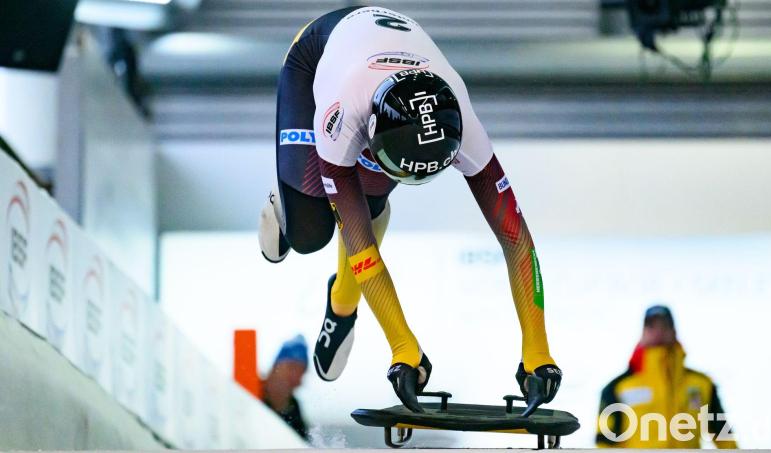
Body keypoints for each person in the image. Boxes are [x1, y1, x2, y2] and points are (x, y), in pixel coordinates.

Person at [258, 6, 561, 412]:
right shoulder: (342, 115)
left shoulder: (464, 127)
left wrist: (538, 352)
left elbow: (517, 240)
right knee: (309, 234)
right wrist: (403, 346)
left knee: (369, 196)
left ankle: (340, 302)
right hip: (317, 57)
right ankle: (286, 199)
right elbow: (360, 245)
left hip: (376, 66)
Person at [595, 305, 738, 448]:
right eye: (651, 325)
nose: (658, 331)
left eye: (664, 325)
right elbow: (604, 444)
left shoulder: (702, 385)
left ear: (674, 331)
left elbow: (724, 436)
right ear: (643, 332)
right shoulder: (617, 388)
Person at [261, 335, 309, 440]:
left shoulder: (295, 409)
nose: (295, 376)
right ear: (275, 368)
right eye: (291, 368)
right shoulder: (250, 392)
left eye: (301, 371)